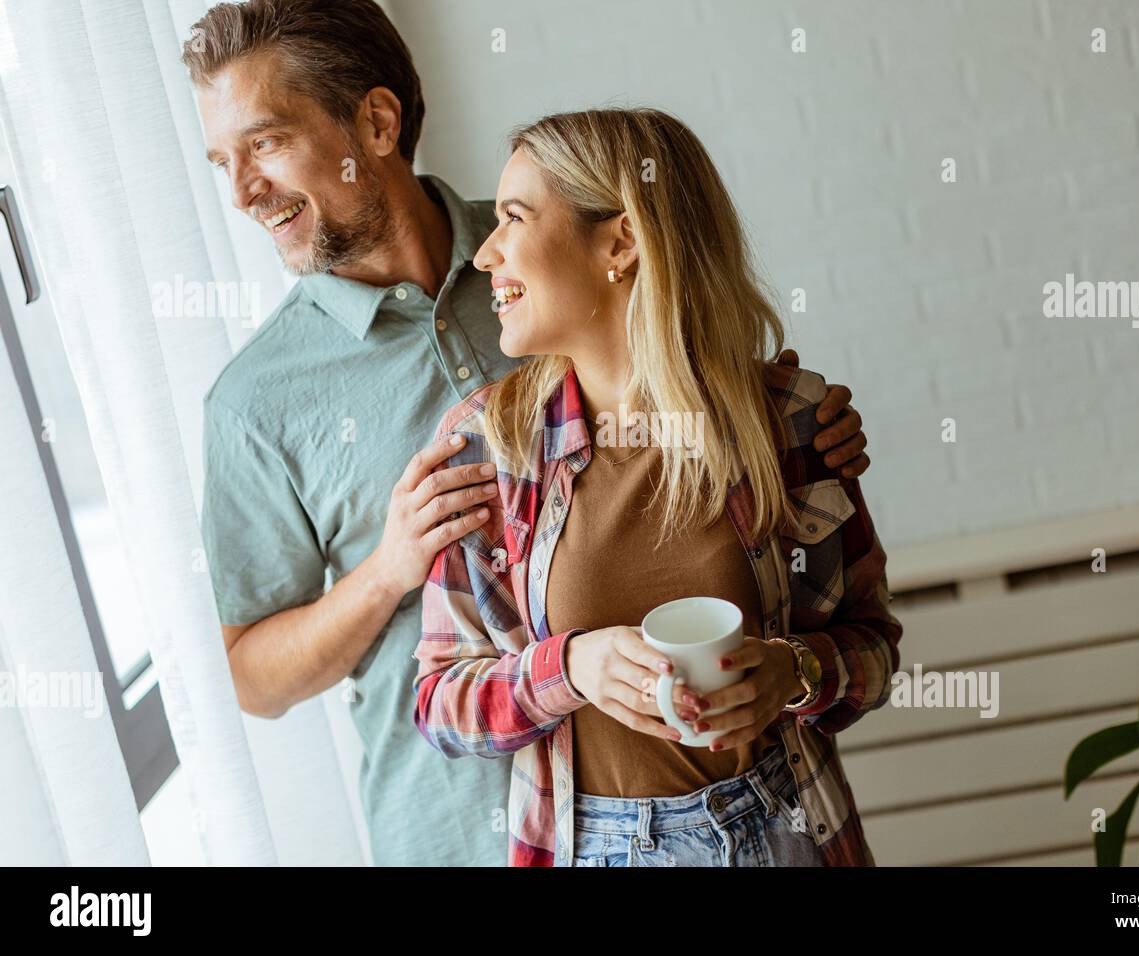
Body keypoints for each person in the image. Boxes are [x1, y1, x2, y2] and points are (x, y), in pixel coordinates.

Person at [188, 0, 873, 865]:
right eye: (224, 161)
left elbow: (706, 374)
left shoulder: (542, 258)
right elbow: (251, 679)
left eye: (264, 142)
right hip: (454, 831)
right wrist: (388, 569)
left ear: (377, 120)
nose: (243, 192)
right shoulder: (255, 402)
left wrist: (796, 428)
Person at [413, 107, 903, 866]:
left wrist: (795, 674)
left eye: (513, 218)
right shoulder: (489, 447)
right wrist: (569, 669)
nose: (485, 255)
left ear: (622, 242)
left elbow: (874, 652)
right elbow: (440, 704)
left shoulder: (793, 423)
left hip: (786, 830)